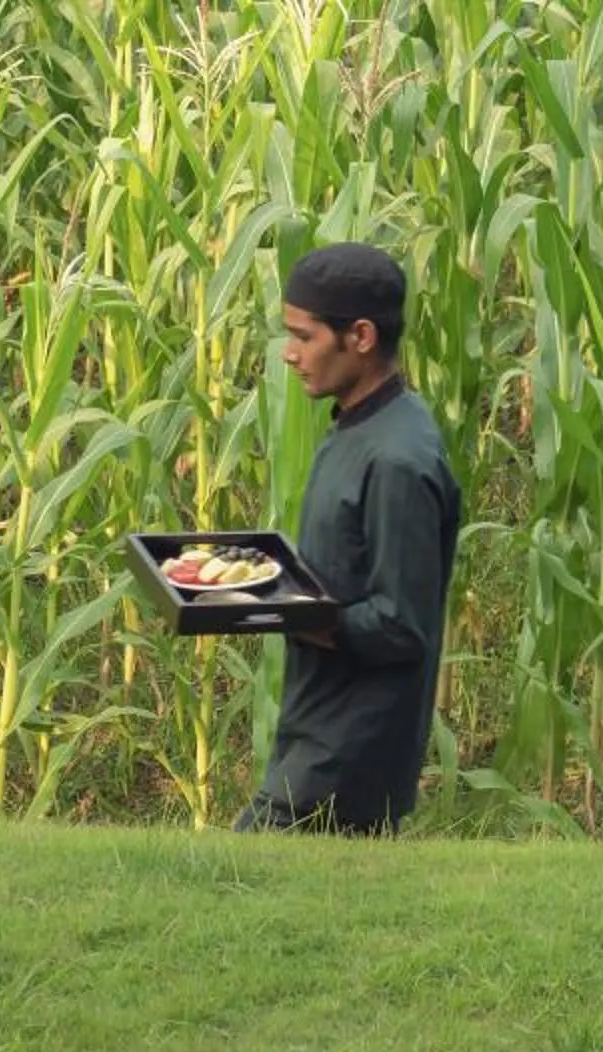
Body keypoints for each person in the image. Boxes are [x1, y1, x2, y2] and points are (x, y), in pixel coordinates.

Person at [235, 242, 464, 834]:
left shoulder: (397, 460)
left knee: (227, 886)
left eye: (304, 336)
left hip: (348, 760)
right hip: (315, 738)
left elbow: (400, 622)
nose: (290, 353)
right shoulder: (358, 427)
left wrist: (295, 613)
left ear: (360, 337)